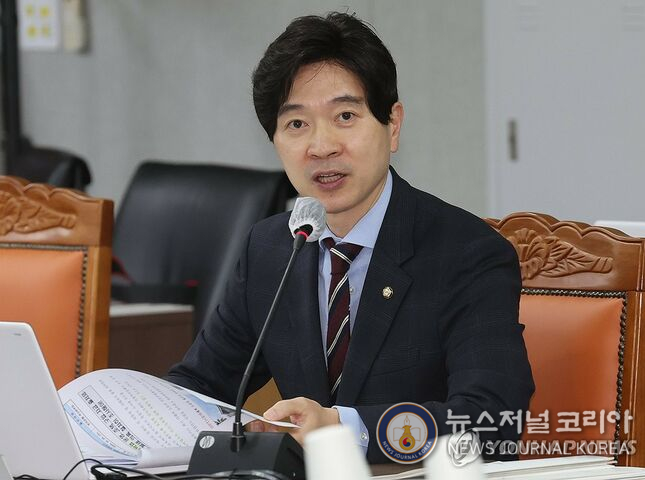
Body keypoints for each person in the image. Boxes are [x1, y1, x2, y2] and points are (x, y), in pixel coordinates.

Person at [167, 11, 534, 463]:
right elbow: (198, 385)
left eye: (345, 116)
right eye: (296, 124)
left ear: (392, 125)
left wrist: (343, 429)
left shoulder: (467, 253)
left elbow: (492, 422)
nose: (321, 147)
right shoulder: (271, 248)